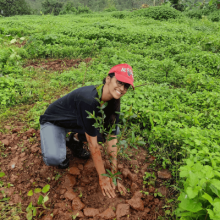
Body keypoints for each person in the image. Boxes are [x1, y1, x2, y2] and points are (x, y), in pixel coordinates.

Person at [39, 63, 134, 198]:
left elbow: (112, 139)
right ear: (108, 79)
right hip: (55, 122)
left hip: (76, 122)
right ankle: (55, 139)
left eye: (126, 86)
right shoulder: (89, 99)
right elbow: (93, 146)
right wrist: (103, 178)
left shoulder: (113, 102)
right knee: (55, 157)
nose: (122, 88)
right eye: (119, 82)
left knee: (111, 132)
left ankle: (74, 140)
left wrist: (113, 176)